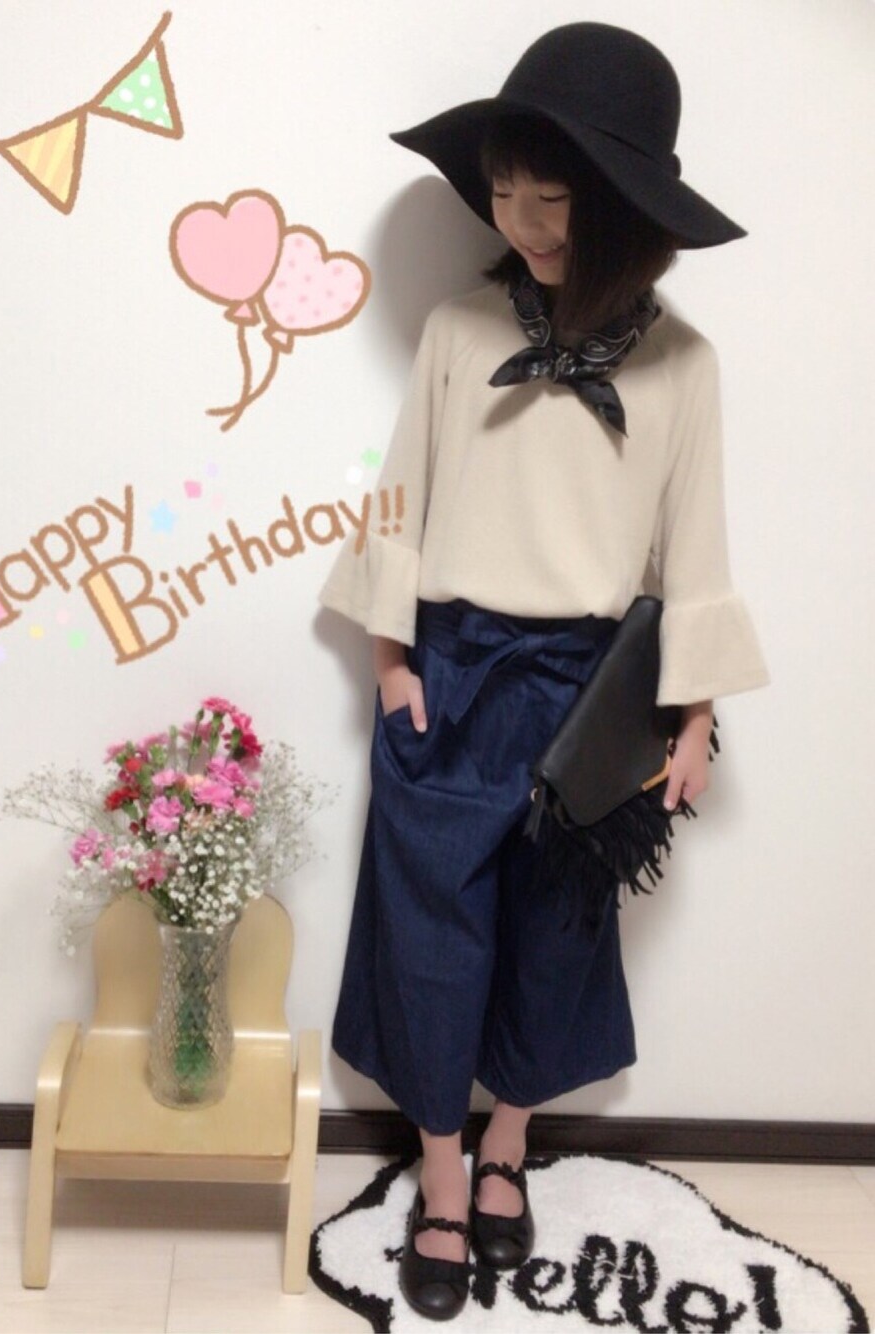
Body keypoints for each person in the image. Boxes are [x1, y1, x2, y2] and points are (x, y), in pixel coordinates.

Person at [317, 21, 770, 1322]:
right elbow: (401, 496)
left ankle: (509, 1144)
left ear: (623, 207)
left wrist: (692, 717)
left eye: (554, 197)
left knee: (558, 938)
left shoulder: (684, 363)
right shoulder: (461, 330)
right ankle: (441, 1168)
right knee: (430, 931)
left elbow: (696, 547)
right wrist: (393, 661)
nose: (521, 219)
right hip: (455, 673)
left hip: (592, 693)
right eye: (506, 190)